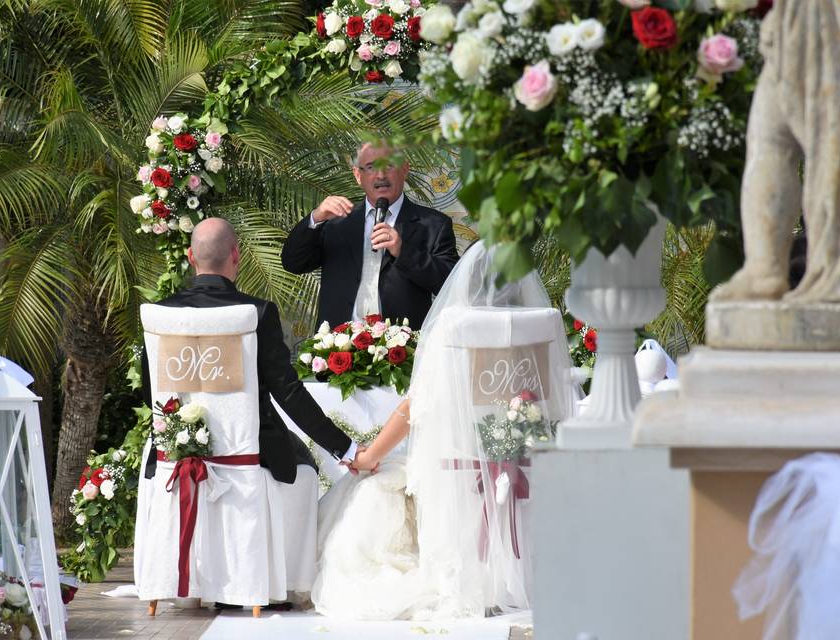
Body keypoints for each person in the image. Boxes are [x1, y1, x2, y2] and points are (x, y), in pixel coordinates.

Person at [311, 241, 576, 620]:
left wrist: (370, 455)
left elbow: (413, 408)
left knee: (371, 487)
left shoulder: (454, 329)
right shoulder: (543, 327)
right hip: (529, 477)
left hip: (453, 480)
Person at [139, 217, 370, 602]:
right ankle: (269, 581)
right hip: (249, 458)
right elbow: (289, 393)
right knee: (302, 469)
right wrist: (345, 449)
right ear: (236, 256)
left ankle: (185, 582)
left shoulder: (160, 316)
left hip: (174, 456)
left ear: (190, 257)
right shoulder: (255, 312)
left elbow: (151, 393)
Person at [281, 142, 460, 328]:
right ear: (358, 175)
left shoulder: (433, 224)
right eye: (371, 167)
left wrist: (403, 251)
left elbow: (451, 284)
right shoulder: (336, 221)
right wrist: (315, 218)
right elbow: (293, 263)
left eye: (389, 165)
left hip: (402, 348)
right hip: (338, 347)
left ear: (405, 169)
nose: (381, 175)